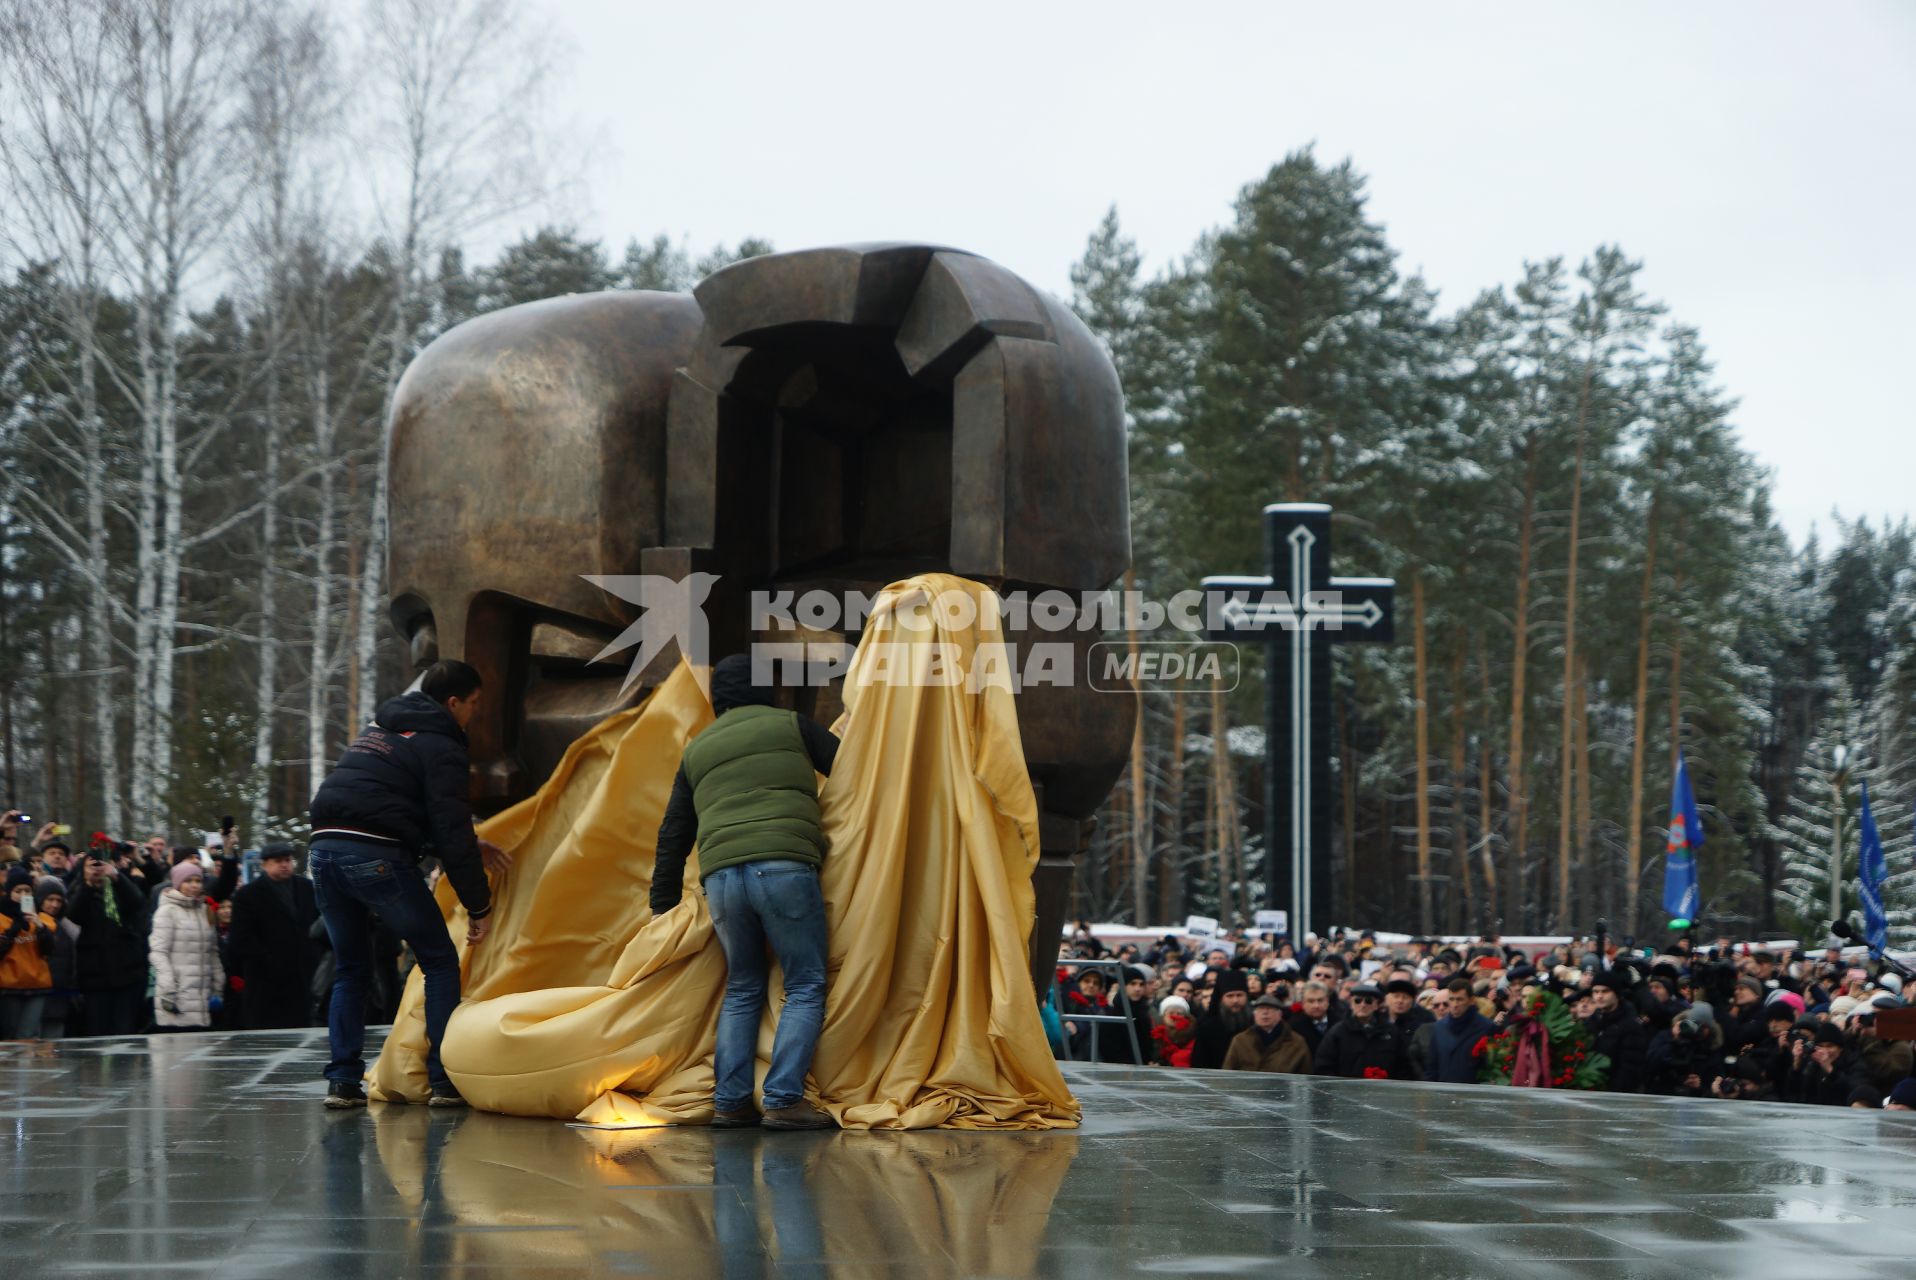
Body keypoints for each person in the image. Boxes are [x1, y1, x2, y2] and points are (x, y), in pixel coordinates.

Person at [651, 654, 840, 1131]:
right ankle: (781, 1099)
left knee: (742, 986)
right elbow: (859, 776)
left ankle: (730, 1101)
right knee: (805, 983)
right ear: (767, 690)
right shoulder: (793, 725)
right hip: (784, 867)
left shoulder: (697, 750)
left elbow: (674, 830)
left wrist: (662, 903)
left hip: (721, 880)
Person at [308, 659, 506, 1109]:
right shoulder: (441, 744)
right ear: (453, 702)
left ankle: (342, 1082)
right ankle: (444, 1081)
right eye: (474, 704)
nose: (474, 712)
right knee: (437, 961)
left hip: (323, 853)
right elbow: (449, 828)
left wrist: (471, 843)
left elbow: (386, 804)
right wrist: (479, 906)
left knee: (351, 968)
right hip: (377, 859)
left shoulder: (378, 731)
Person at [226, 843, 321, 1029]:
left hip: (303, 971)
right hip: (267, 977)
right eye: (278, 861)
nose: (284, 865)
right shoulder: (248, 894)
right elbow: (241, 937)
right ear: (264, 865)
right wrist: (265, 958)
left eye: (287, 860)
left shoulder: (306, 888)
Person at [67, 850, 148, 1035]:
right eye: (92, 865)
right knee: (98, 1029)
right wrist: (87, 884)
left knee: (125, 1029)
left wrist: (116, 877)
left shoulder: (122, 885)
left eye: (101, 864)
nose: (97, 869)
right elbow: (74, 915)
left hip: (127, 970)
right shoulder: (78, 888)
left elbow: (137, 902)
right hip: (95, 974)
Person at [148, 862, 222, 1031]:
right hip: (177, 995)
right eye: (188, 881)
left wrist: (219, 985)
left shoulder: (205, 911)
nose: (194, 885)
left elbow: (212, 952)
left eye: (198, 880)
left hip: (203, 998)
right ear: (178, 883)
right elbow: (158, 952)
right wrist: (168, 988)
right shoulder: (167, 911)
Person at [0, 866, 57, 1038]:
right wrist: (12, 930)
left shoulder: (42, 919)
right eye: (18, 891)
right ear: (9, 893)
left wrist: (39, 926)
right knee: (10, 1036)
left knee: (28, 1035)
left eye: (27, 890)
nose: (23, 895)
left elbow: (49, 949)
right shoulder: (2, 919)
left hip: (36, 984)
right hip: (9, 986)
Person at [1314, 983, 1413, 1079]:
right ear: (1351, 1004)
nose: (1363, 1005)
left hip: (1383, 1091)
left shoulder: (1392, 1032)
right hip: (1345, 1091)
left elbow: (1403, 1066)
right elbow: (1323, 1066)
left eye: (1368, 1001)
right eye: (1357, 1001)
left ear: (1376, 1005)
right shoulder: (1337, 1032)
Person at [1420, 978, 1497, 1084]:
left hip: (1473, 1092)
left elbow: (1492, 1066)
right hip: (1443, 1092)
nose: (1455, 1004)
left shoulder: (1487, 1027)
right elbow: (1432, 1066)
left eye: (1460, 999)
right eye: (1451, 1000)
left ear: (1471, 1000)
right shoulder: (1439, 1027)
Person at [1584, 971, 1649, 1093]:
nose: (1599, 996)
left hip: (1615, 1094)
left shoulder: (1631, 1026)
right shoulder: (1589, 1023)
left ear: (1617, 994)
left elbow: (1630, 1068)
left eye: (1605, 991)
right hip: (1590, 1090)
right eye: (1596, 992)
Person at [33, 877, 78, 1038]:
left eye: (58, 900)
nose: (55, 905)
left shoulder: (65, 927)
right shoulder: (32, 924)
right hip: (38, 993)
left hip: (60, 996)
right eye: (50, 899)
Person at [1222, 994, 1312, 1073]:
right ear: (1255, 1014)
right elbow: (1228, 1072)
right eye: (1260, 1009)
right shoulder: (1240, 1041)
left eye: (1270, 1009)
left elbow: (1305, 1074)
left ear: (1279, 1015)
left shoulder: (1296, 1042)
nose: (1265, 1013)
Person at [1191, 968, 1252, 1069]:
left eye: (1239, 995)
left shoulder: (1255, 1023)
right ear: (1221, 998)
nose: (1235, 1000)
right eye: (1230, 996)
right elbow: (1199, 1065)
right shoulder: (1207, 1028)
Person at [1287, 980, 1339, 1058]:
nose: (1316, 1006)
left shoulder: (1339, 1023)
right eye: (1311, 1001)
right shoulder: (1293, 1026)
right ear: (1303, 1003)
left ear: (1327, 1001)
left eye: (1320, 1000)